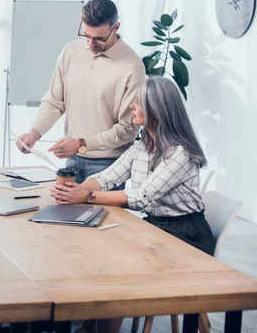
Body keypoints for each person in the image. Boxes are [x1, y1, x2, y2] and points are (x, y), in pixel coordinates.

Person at [51, 76, 216, 333]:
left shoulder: (180, 153)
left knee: (118, 266)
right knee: (99, 254)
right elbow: (108, 177)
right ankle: (93, 324)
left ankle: (97, 327)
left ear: (157, 110)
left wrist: (85, 198)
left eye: (139, 102)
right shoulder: (142, 146)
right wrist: (77, 190)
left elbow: (143, 197)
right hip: (156, 228)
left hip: (186, 236)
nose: (133, 107)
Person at [17, 0, 145, 183]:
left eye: (99, 39)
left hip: (109, 165)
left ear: (115, 28)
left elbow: (128, 129)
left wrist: (81, 144)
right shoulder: (70, 52)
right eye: (86, 35)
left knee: (103, 214)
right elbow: (54, 101)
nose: (91, 44)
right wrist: (34, 133)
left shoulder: (132, 66)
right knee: (65, 211)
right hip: (72, 161)